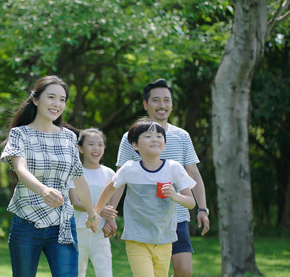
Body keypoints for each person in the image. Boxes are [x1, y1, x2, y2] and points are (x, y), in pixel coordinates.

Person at [108, 78, 210, 277]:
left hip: (177, 217)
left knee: (184, 271)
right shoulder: (131, 137)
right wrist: (110, 214)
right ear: (146, 104)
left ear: (172, 104)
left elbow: (193, 173)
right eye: (156, 100)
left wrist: (203, 208)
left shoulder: (182, 136)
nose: (162, 105)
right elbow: (118, 180)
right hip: (143, 219)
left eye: (166, 100)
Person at [0, 75, 100, 277]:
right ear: (36, 100)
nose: (57, 104)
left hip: (62, 225)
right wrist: (43, 190)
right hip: (26, 222)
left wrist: (92, 215)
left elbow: (78, 178)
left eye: (62, 99)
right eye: (51, 97)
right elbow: (21, 169)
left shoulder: (69, 137)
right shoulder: (20, 134)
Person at [95, 117, 197, 277]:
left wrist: (175, 196)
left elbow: (191, 202)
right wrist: (96, 213)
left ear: (164, 143)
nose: (155, 139)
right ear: (134, 145)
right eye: (148, 136)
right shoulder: (130, 169)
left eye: (159, 136)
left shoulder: (174, 168)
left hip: (164, 239)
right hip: (137, 238)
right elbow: (109, 190)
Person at [68, 128, 117, 277]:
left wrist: (110, 221)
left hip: (100, 233)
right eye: (91, 144)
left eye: (100, 144)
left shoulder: (109, 173)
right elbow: (75, 202)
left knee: (105, 273)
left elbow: (109, 203)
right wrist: (98, 210)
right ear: (80, 148)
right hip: (78, 231)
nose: (96, 148)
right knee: (77, 273)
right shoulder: (75, 172)